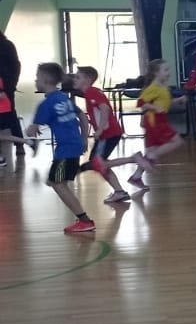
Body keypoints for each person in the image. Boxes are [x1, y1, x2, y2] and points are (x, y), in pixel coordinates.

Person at [27, 62, 96, 234]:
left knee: (56, 183)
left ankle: (84, 220)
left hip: (65, 150)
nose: (35, 81)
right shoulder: (63, 98)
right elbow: (82, 116)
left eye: (37, 78)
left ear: (44, 80)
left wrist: (30, 130)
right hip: (73, 146)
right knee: (57, 182)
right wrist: (84, 139)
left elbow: (33, 129)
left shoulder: (46, 105)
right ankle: (82, 218)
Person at [106, 59, 185, 188]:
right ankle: (150, 157)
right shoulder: (153, 87)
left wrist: (178, 100)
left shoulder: (162, 87)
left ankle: (136, 177)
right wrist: (154, 108)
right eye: (165, 70)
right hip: (156, 121)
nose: (168, 73)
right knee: (177, 141)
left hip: (158, 120)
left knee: (151, 155)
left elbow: (164, 103)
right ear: (155, 73)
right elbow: (141, 103)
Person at [77, 66, 131, 205]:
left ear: (88, 80)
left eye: (78, 77)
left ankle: (133, 159)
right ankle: (119, 192)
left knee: (97, 163)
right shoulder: (91, 93)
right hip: (108, 134)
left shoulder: (91, 92)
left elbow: (105, 109)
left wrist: (100, 129)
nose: (74, 80)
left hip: (108, 133)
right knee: (99, 164)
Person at [0, 27, 22, 167]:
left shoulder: (6, 46)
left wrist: (5, 87)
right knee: (11, 116)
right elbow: (17, 66)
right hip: (7, 85)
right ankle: (21, 144)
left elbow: (14, 66)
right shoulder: (8, 45)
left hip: (4, 86)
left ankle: (21, 143)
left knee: (10, 117)